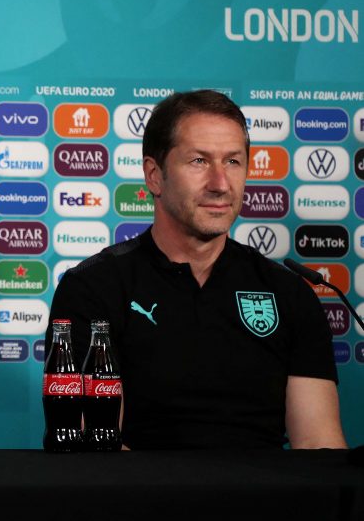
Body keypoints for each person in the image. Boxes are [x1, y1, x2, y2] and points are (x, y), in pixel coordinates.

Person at [48, 89, 346, 450]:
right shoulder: (93, 288)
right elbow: (95, 443)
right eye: (199, 161)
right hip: (136, 486)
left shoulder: (290, 293)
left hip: (264, 488)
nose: (220, 184)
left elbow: (318, 446)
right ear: (154, 176)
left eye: (233, 162)